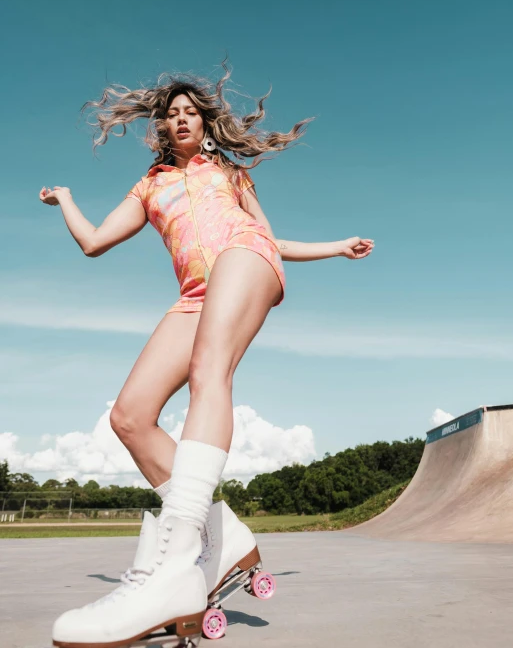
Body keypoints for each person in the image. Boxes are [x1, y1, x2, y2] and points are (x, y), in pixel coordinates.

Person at [41, 61, 374, 647]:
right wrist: (67, 198)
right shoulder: (150, 186)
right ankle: (221, 531)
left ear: (206, 122)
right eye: (172, 115)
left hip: (246, 259)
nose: (181, 119)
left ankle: (176, 563)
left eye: (191, 112)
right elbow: (93, 242)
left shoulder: (231, 173)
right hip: (195, 296)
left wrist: (336, 247)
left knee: (207, 374)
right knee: (130, 415)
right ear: (163, 129)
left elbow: (271, 239)